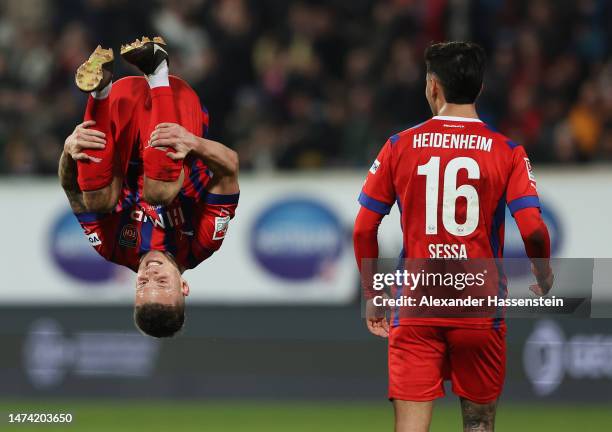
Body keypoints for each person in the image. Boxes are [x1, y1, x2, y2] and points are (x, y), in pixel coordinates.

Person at [353, 41, 554, 432]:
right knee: (478, 424)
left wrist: (373, 294)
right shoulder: (508, 152)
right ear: (479, 89)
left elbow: (363, 227)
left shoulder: (399, 146)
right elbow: (532, 228)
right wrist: (543, 273)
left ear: (433, 87)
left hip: (415, 305)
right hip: (480, 308)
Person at [58, 37, 240, 338]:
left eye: (143, 284)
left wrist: (69, 149)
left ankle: (100, 89)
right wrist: (192, 142)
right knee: (160, 192)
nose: (151, 275)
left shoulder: (112, 247)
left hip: (119, 108)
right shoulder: (203, 242)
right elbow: (230, 165)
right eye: (162, 283)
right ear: (184, 287)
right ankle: (157, 70)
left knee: (96, 202)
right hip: (175, 110)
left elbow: (72, 190)